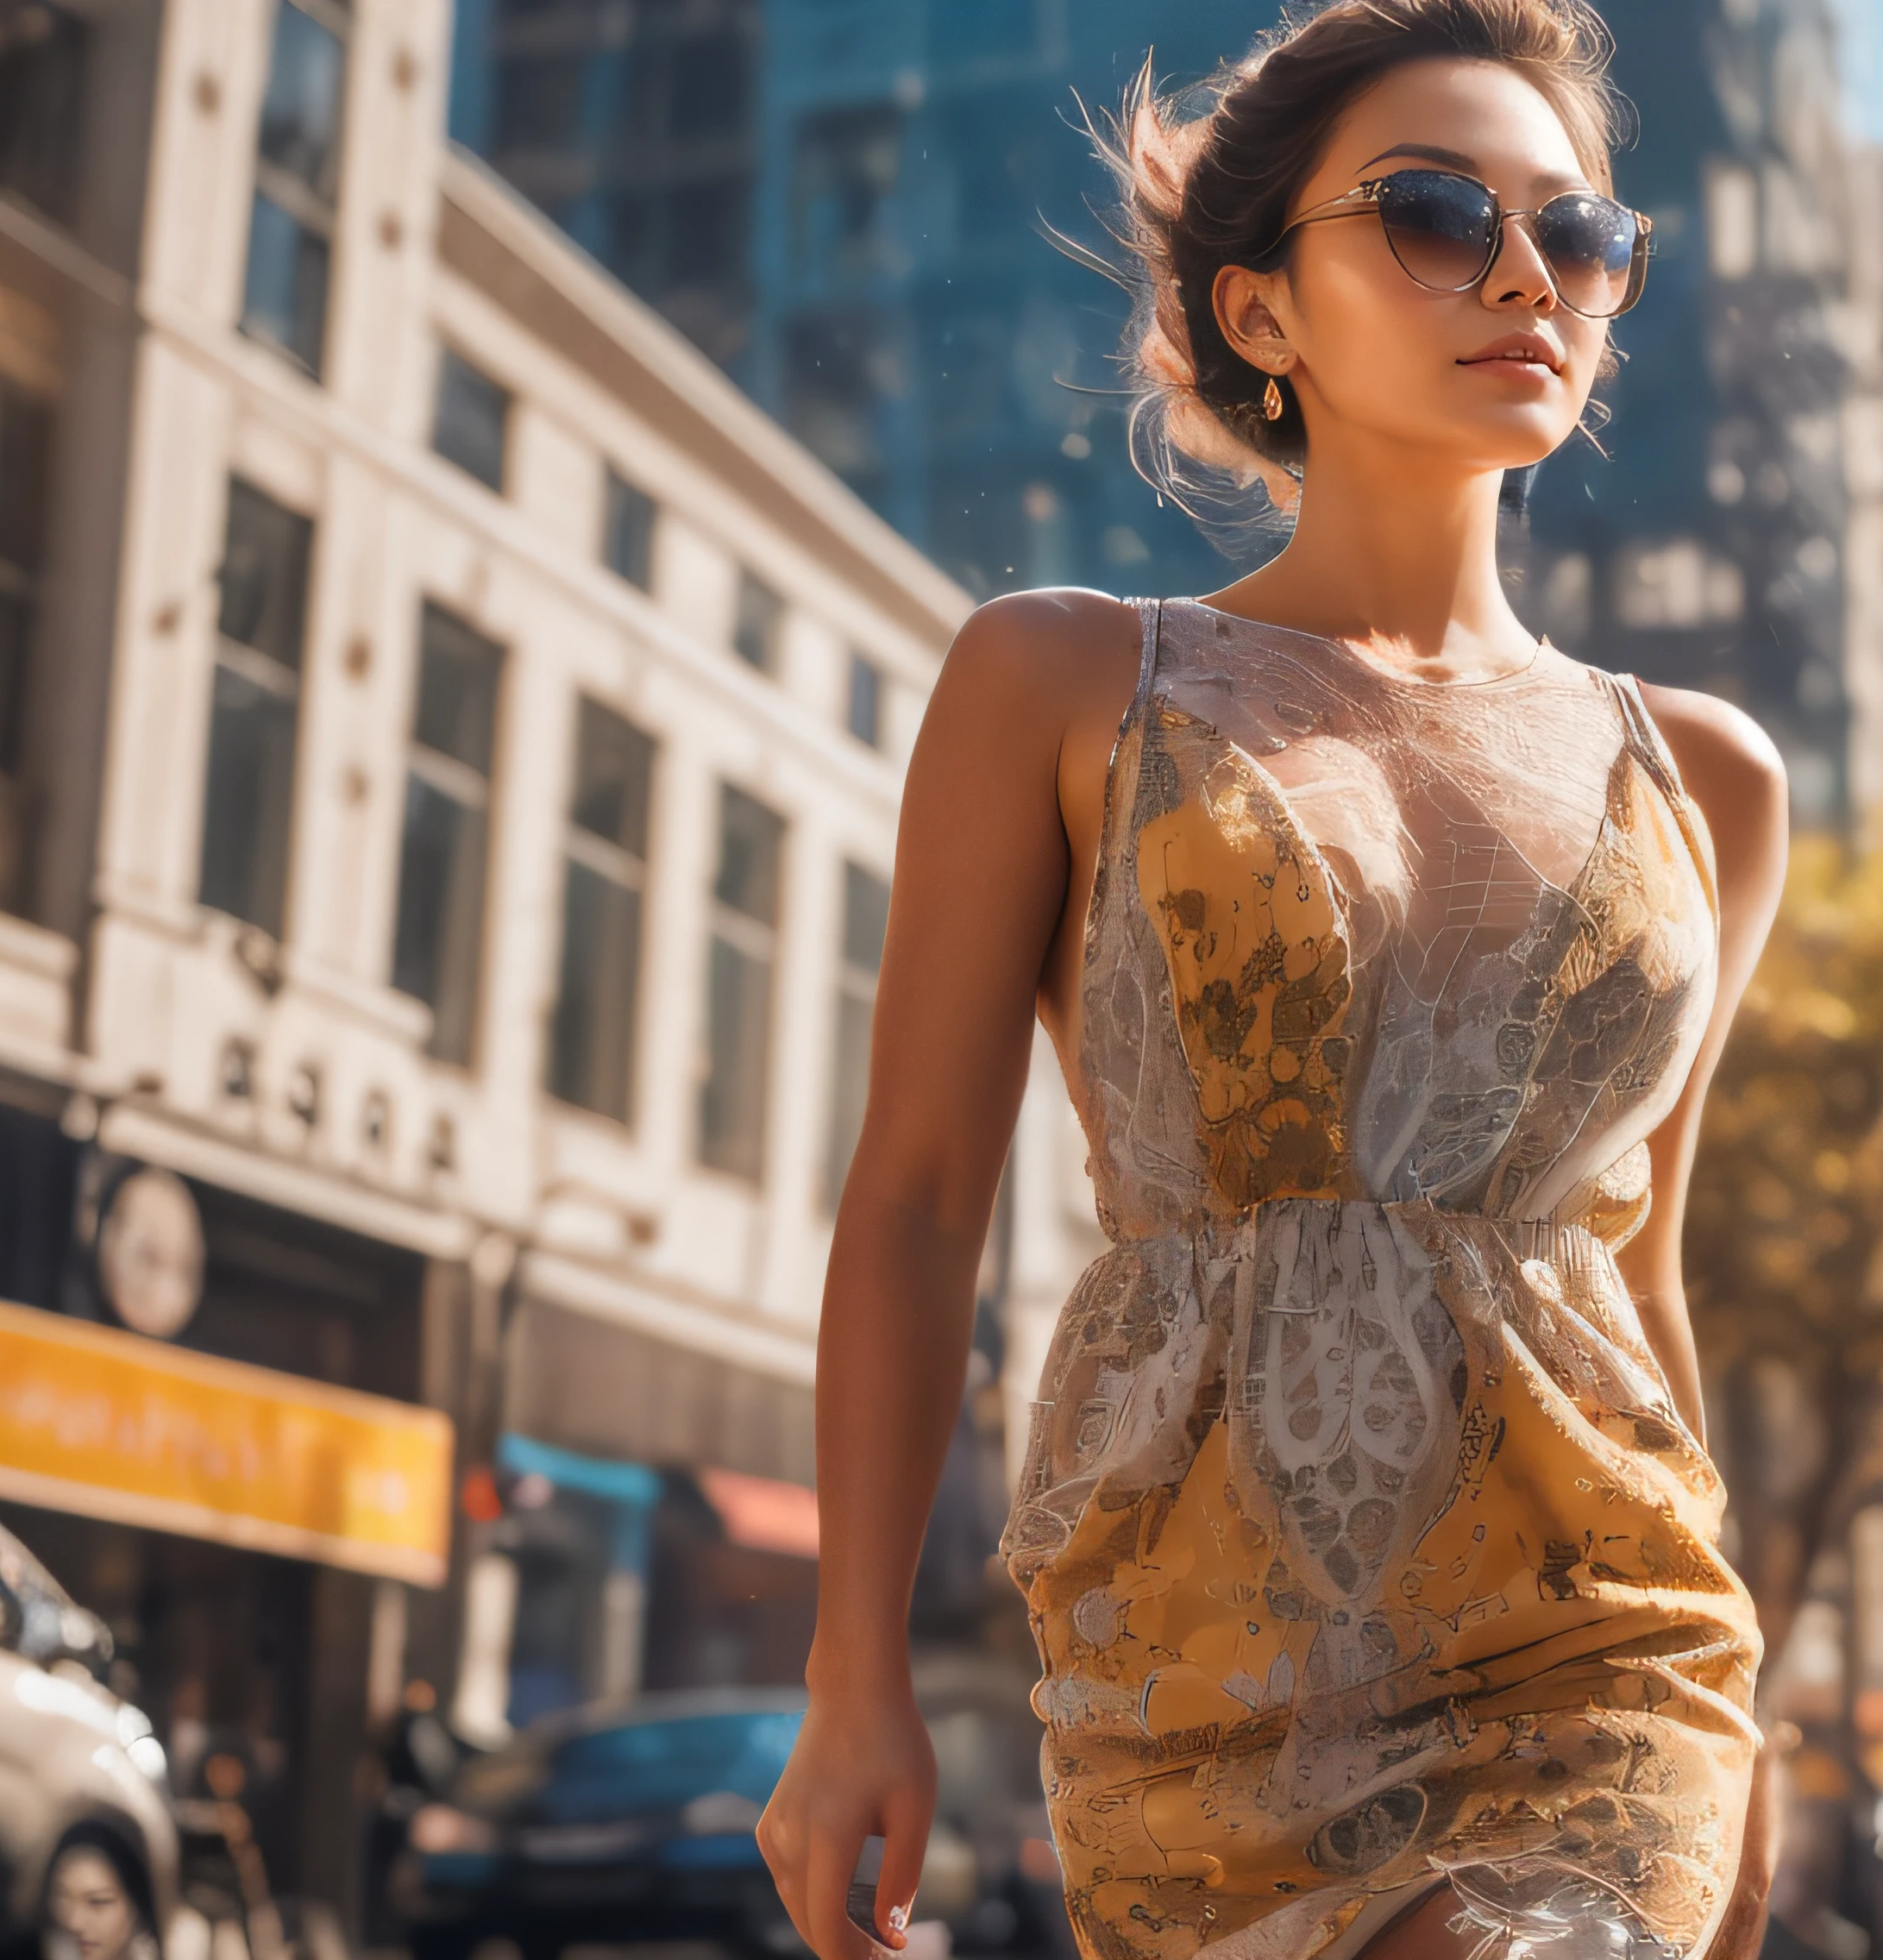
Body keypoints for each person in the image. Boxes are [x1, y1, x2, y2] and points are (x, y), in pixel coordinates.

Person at [750, 5, 1790, 1957]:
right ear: (1259, 312)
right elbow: (909, 1203)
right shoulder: (1057, 682)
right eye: (1426, 214)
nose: (1518, 274)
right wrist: (849, 1672)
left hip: (1603, 1642)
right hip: (1193, 1654)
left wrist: (1751, 1708)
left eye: (1574, 233)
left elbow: (1637, 1269)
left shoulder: (1710, 778)